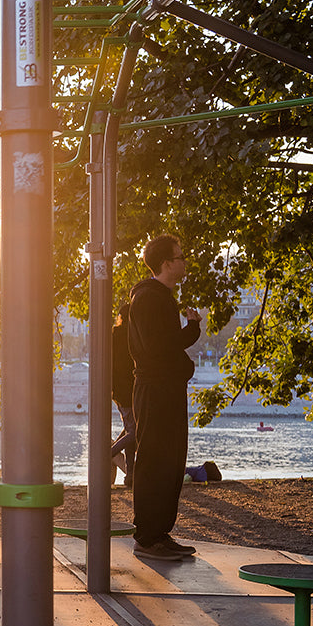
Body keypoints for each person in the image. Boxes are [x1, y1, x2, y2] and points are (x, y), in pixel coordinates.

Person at [128, 234, 202, 561]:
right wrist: (191, 336)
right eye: (180, 256)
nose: (185, 262)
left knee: (171, 460)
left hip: (165, 389)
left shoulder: (160, 297)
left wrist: (191, 330)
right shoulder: (148, 298)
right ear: (166, 263)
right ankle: (147, 536)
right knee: (155, 460)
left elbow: (165, 344)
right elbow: (158, 348)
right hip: (156, 390)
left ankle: (159, 532)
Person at [109, 302, 135, 486]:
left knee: (130, 428)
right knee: (135, 431)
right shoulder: (133, 336)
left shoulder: (113, 335)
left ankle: (130, 475)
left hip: (118, 390)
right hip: (132, 389)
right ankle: (108, 453)